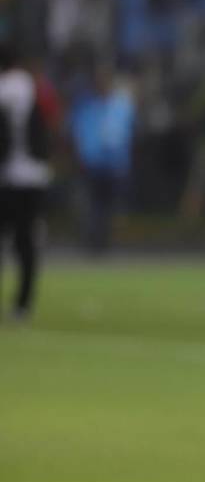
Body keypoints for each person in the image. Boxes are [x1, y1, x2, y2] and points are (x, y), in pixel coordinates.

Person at [0, 45, 57, 322]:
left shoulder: (6, 89)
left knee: (11, 240)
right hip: (36, 174)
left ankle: (21, 303)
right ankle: (23, 304)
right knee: (26, 242)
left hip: (11, 176)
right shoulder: (34, 86)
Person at [69, 62, 135, 254]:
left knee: (112, 207)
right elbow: (78, 134)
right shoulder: (86, 107)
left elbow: (128, 133)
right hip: (92, 165)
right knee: (91, 205)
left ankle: (107, 242)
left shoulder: (122, 106)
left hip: (115, 165)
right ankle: (91, 242)